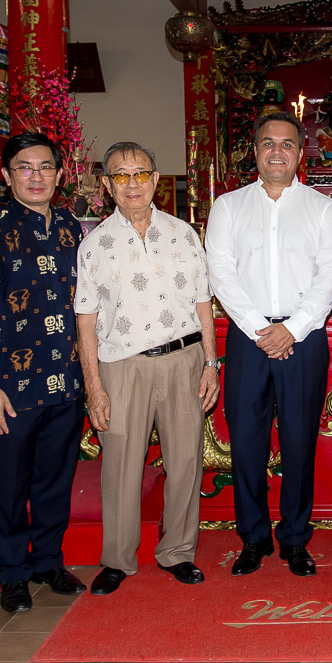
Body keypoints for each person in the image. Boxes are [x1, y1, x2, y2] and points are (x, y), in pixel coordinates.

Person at [75, 141, 221, 594]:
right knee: (120, 465)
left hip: (183, 360)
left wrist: (211, 364)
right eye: (121, 175)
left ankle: (176, 551)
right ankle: (118, 558)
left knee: (184, 462)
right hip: (122, 366)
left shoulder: (184, 234)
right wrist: (94, 386)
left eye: (141, 173)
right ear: (106, 186)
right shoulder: (95, 244)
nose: (132, 183)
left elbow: (203, 304)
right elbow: (85, 318)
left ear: (157, 179)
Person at [206, 111, 332, 577]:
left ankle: (295, 538)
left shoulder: (322, 209)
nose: (277, 152)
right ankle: (253, 537)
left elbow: (330, 276)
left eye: (287, 144)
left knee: (300, 440)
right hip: (248, 340)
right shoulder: (228, 207)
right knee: (247, 442)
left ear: (300, 152)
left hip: (303, 339)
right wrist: (258, 328)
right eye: (269, 143)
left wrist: (295, 327)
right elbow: (220, 272)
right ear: (255, 150)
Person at [0, 132, 87, 613]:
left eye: (45, 167)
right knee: (10, 483)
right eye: (25, 168)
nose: (36, 176)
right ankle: (12, 571)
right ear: (7, 175)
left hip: (65, 378)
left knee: (55, 479)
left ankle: (48, 562)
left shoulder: (71, 227)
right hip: (10, 384)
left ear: (60, 173)